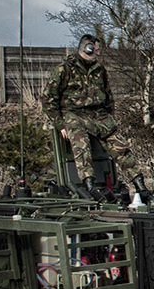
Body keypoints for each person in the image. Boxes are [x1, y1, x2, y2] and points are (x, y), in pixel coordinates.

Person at [42, 34, 133, 197]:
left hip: (98, 116)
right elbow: (49, 99)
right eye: (96, 49)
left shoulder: (100, 69)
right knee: (81, 146)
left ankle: (139, 183)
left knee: (120, 146)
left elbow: (108, 95)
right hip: (73, 115)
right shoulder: (65, 69)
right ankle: (89, 184)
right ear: (88, 48)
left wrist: (109, 118)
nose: (98, 53)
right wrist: (60, 124)